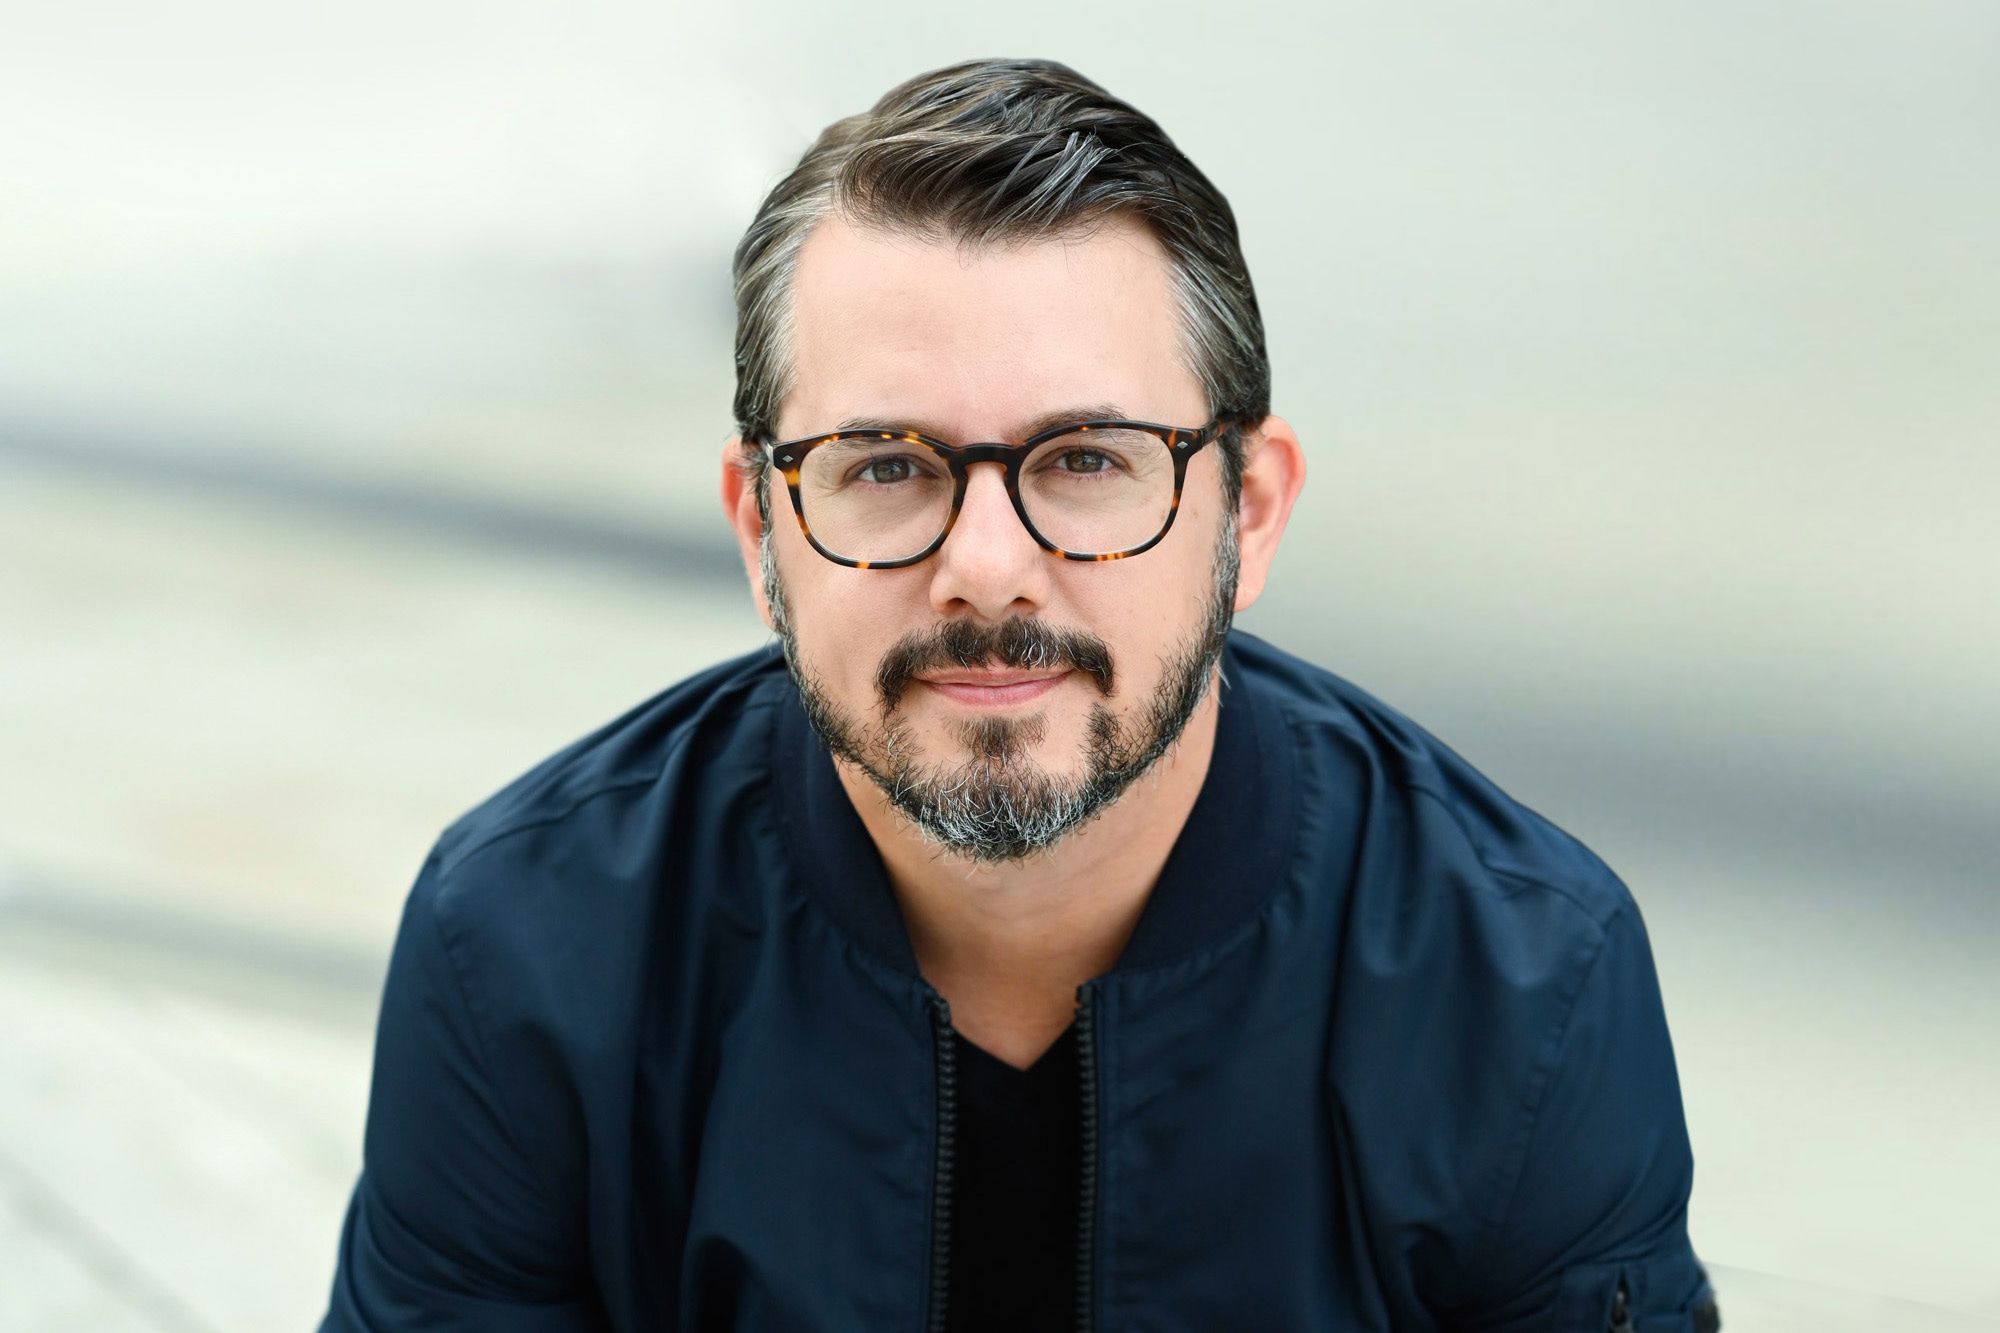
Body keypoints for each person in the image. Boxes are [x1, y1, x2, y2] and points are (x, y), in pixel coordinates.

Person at [321, 57, 1720, 1333]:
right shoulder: (525, 951)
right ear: (761, 531)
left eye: (1088, 458)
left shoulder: (1524, 988)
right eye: (884, 465)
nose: (986, 570)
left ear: (1249, 514)